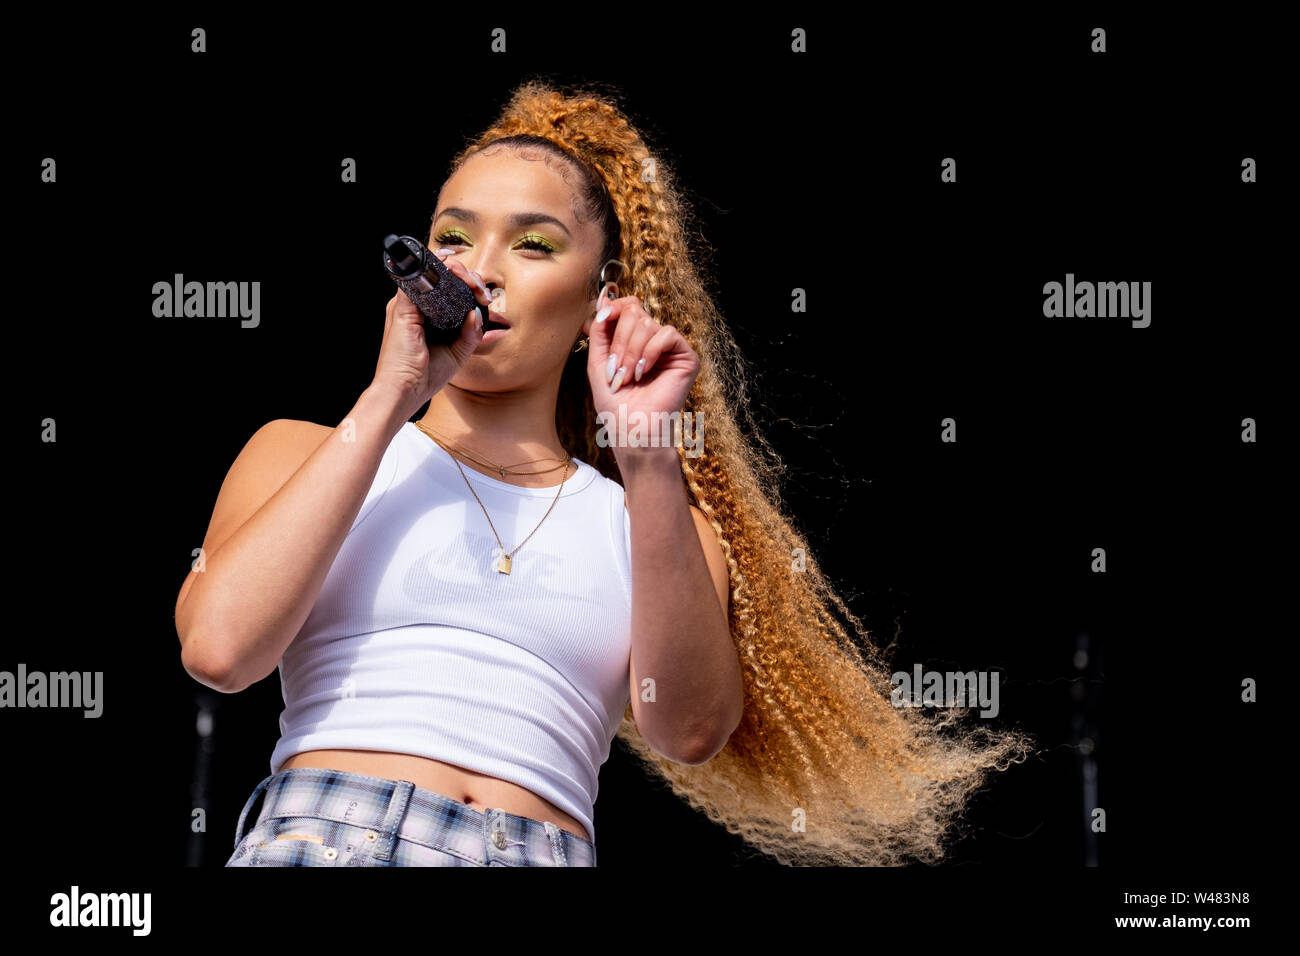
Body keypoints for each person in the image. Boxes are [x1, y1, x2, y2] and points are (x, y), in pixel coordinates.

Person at [176, 79, 1034, 868]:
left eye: (535, 245)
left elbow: (690, 728)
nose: (482, 269)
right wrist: (390, 396)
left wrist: (648, 457)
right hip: (328, 834)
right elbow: (219, 650)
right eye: (454, 237)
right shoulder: (303, 451)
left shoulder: (651, 524)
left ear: (600, 298)